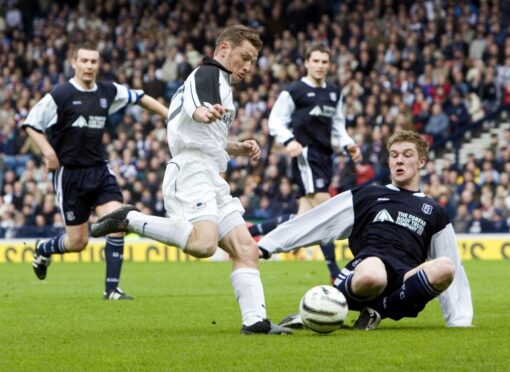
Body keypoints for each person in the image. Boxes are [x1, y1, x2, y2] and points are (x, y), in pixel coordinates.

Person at [91, 25, 291, 334]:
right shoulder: (206, 74)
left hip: (210, 171)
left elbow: (204, 132)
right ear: (224, 49)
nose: (249, 67)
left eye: (254, 61)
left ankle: (256, 322)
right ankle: (129, 219)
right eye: (245, 58)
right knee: (204, 244)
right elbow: (197, 109)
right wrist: (204, 111)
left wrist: (236, 146)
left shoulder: (223, 85)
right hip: (190, 170)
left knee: (246, 249)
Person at [258, 130, 473, 330]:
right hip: (366, 271)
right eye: (395, 155)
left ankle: (376, 312)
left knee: (445, 267)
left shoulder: (434, 211)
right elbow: (317, 221)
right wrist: (267, 246)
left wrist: (459, 319)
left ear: (421, 162)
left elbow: (451, 257)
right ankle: (315, 310)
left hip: (403, 284)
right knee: (374, 275)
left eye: (408, 155)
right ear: (388, 161)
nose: (400, 160)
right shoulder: (368, 195)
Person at [23, 43, 169, 300]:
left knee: (118, 220)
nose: (90, 66)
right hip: (70, 175)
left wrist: (169, 115)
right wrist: (47, 152)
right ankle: (44, 248)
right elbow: (32, 124)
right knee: (78, 243)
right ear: (74, 63)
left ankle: (111, 290)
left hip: (99, 170)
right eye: (85, 61)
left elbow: (140, 97)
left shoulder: (107, 91)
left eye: (94, 61)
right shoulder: (60, 95)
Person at [254, 44, 361, 282]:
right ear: (307, 63)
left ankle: (250, 233)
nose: (320, 65)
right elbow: (276, 121)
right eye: (316, 61)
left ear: (329, 65)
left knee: (303, 219)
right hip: (306, 155)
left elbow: (338, 125)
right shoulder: (294, 91)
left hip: (326, 157)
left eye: (325, 61)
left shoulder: (334, 93)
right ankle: (337, 273)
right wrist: (289, 140)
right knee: (327, 212)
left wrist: (348, 144)